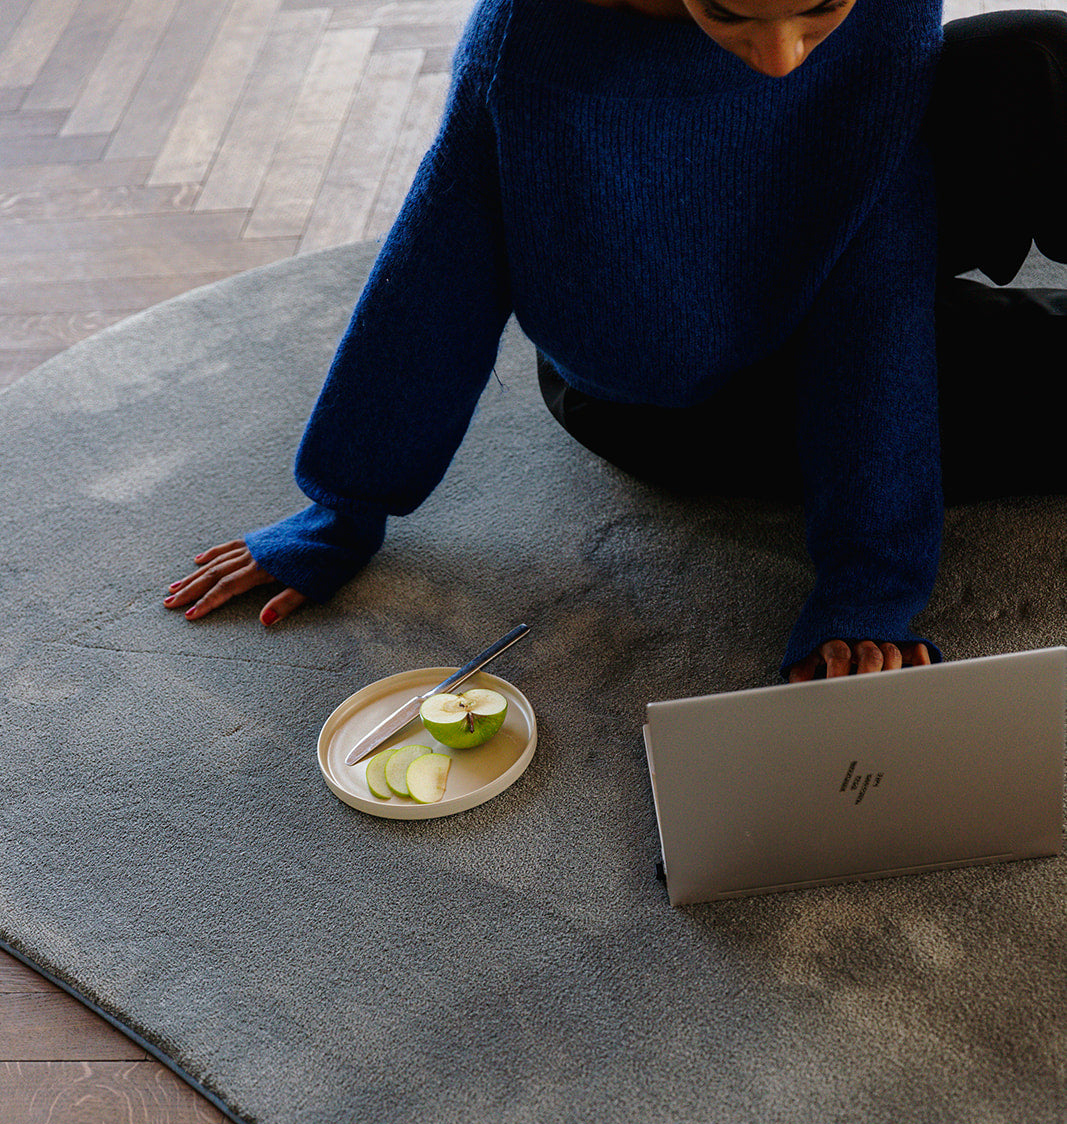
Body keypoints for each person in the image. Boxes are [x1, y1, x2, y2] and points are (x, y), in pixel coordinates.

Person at [164, 0, 1067, 681]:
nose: (782, 56)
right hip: (671, 387)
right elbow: (434, 282)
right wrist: (343, 506)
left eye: (820, 8)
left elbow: (874, 296)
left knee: (1034, 57)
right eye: (729, 10)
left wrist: (870, 575)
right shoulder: (534, 44)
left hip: (823, 258)